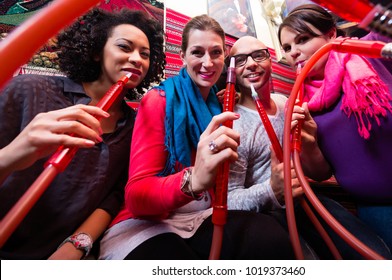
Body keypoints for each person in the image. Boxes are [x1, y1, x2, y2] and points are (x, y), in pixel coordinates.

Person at [99, 14, 295, 260]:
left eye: (215, 53)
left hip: (202, 216)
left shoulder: (222, 105)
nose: (208, 63)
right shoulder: (158, 101)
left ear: (225, 58)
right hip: (146, 224)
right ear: (182, 56)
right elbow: (136, 197)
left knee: (271, 239)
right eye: (197, 52)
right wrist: (192, 181)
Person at [278, 4, 392, 259]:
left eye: (303, 40)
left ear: (330, 35)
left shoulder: (376, 49)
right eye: (286, 48)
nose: (294, 52)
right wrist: (307, 141)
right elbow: (321, 171)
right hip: (389, 208)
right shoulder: (298, 103)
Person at [0, 7, 166, 259]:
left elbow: (115, 195)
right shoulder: (30, 90)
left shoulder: (135, 126)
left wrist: (77, 244)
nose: (137, 59)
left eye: (145, 54)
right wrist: (15, 153)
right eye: (125, 47)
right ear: (97, 51)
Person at [226, 35, 392, 260]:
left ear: (270, 60)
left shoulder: (288, 103)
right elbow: (227, 200)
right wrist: (271, 189)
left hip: (307, 200)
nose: (252, 64)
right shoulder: (232, 125)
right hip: (268, 215)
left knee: (373, 253)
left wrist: (311, 142)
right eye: (241, 60)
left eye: (258, 55)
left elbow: (321, 174)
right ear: (232, 71)